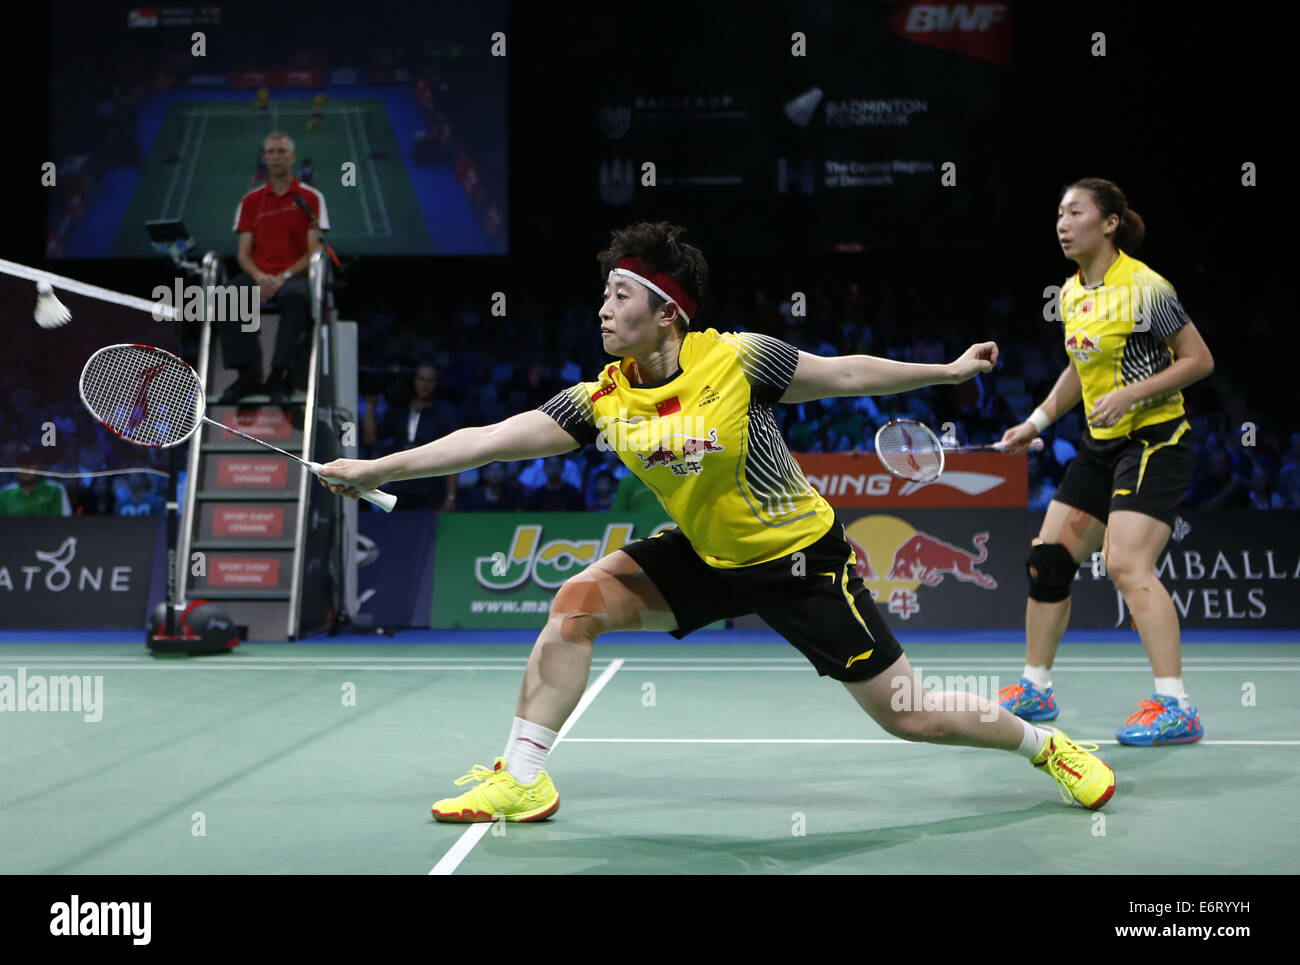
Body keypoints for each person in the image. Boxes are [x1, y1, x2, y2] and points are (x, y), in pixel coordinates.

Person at [318, 221, 1116, 823]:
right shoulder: (605, 397)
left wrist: (943, 371)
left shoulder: (737, 359)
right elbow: (488, 442)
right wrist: (375, 468)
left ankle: (1048, 746)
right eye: (603, 293)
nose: (603, 306)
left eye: (619, 294)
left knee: (908, 713)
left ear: (668, 314)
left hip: (800, 560)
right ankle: (524, 779)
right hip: (705, 556)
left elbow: (841, 374)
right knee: (575, 607)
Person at [998, 178, 1215, 746]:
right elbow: (1079, 368)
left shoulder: (1146, 287)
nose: (1062, 224)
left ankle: (1176, 704)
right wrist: (1037, 422)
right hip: (1100, 445)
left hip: (1155, 441)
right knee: (1048, 560)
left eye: (1075, 213)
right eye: (1059, 214)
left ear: (1109, 222)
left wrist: (1136, 393)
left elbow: (1198, 359)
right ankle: (1035, 688)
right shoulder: (1071, 293)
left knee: (1126, 565)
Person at [220, 131, 330, 405]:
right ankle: (249, 374)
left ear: (292, 157)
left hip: (294, 276)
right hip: (258, 274)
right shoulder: (250, 201)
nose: (276, 156)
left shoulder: (311, 198)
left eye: (282, 151)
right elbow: (243, 253)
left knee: (296, 299)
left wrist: (282, 277)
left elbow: (315, 249)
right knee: (227, 296)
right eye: (271, 152)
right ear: (264, 158)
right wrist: (260, 277)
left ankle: (280, 375)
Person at [364, 363, 458, 510]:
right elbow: (371, 439)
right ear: (413, 381)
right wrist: (370, 404)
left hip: (431, 489)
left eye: (430, 380)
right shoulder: (398, 410)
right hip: (399, 485)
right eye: (421, 379)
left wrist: (451, 496)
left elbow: (453, 455)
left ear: (436, 383)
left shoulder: (444, 412)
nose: (425, 385)